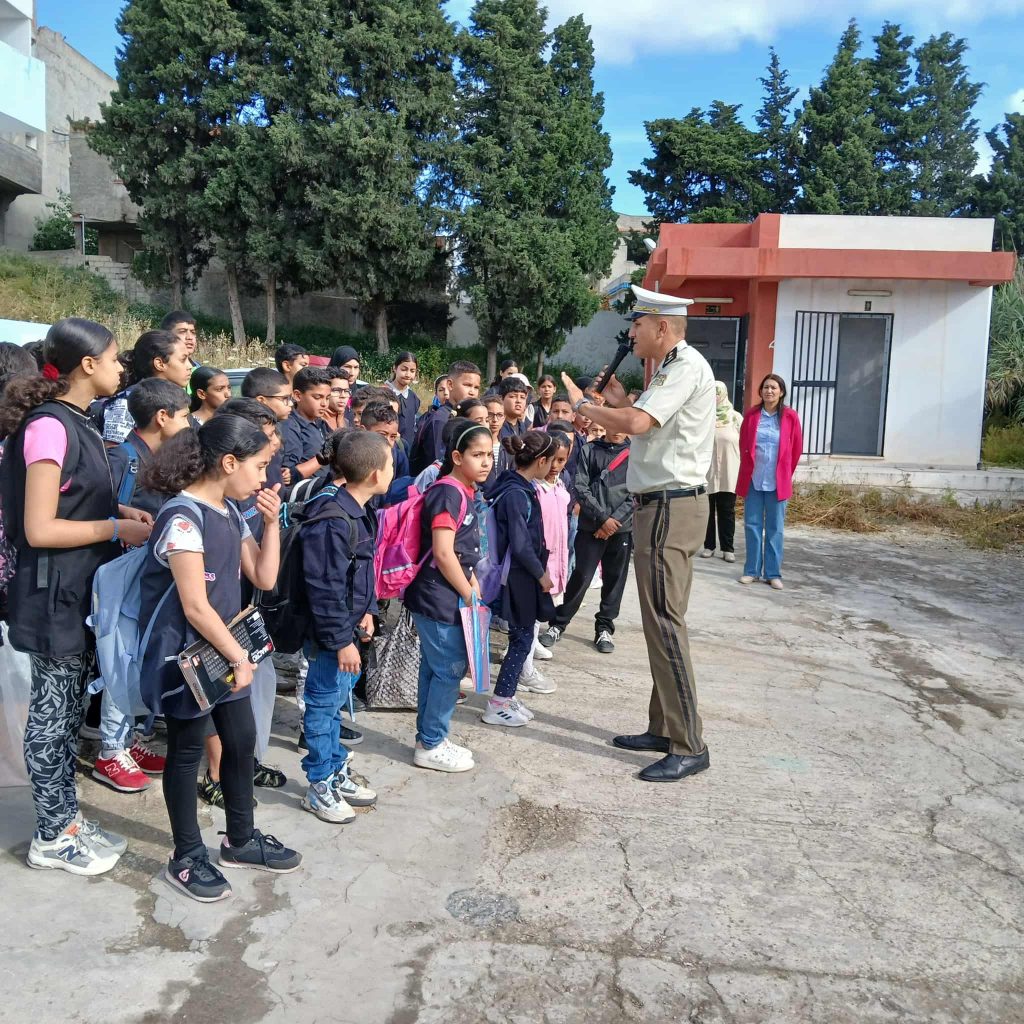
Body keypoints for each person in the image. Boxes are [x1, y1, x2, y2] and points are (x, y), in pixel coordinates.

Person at [0, 318, 153, 875]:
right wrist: (113, 528)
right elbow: (39, 527)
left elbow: (73, 503)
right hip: (52, 593)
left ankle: (65, 818)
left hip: (77, 589)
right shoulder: (48, 426)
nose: (120, 368)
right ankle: (51, 836)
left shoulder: (78, 420)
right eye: (114, 359)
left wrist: (119, 512)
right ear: (87, 364)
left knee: (66, 717)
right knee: (52, 715)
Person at [138, 416, 301, 901]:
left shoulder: (229, 510)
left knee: (241, 740)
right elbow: (194, 606)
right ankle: (186, 856)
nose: (264, 477)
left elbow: (264, 578)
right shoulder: (182, 518)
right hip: (187, 660)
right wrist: (239, 657)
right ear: (229, 462)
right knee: (187, 752)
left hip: (226, 655)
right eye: (259, 466)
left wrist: (270, 524)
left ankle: (241, 839)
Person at [560, 284, 715, 783]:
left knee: (665, 622)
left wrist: (586, 407)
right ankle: (664, 728)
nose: (633, 332)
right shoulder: (667, 369)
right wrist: (614, 401)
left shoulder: (684, 367)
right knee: (658, 621)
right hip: (660, 506)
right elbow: (636, 413)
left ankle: (689, 745)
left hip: (671, 506)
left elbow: (637, 423)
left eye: (639, 324)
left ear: (662, 327)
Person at [299, 431, 389, 821]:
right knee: (322, 705)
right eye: (390, 464)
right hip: (330, 637)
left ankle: (335, 768)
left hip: (350, 628)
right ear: (374, 474)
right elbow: (324, 588)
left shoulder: (360, 510)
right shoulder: (331, 518)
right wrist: (341, 642)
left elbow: (361, 573)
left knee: (336, 702)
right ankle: (319, 782)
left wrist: (368, 610)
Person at [404, 418, 492, 770]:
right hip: (437, 595)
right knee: (449, 670)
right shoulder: (448, 493)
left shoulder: (464, 490)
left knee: (436, 668)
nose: (485, 462)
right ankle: (431, 743)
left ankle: (429, 737)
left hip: (446, 591)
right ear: (457, 457)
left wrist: (472, 586)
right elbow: (443, 552)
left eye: (489, 455)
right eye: (477, 455)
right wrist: (468, 594)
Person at [483, 431, 556, 728]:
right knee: (522, 638)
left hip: (517, 573)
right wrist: (541, 575)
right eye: (552, 461)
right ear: (541, 461)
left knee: (522, 637)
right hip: (517, 576)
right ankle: (499, 703)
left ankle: (506, 695)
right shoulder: (516, 493)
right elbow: (521, 543)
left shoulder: (513, 485)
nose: (553, 467)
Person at [542, 428, 632, 655]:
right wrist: (602, 519)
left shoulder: (636, 453)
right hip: (591, 526)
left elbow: (636, 494)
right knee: (581, 576)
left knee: (615, 579)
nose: (617, 430)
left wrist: (613, 523)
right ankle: (558, 624)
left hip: (621, 528)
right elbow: (580, 487)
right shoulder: (590, 450)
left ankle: (605, 628)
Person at [736, 374, 803, 591]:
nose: (769, 391)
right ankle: (751, 571)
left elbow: (796, 449)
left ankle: (773, 573)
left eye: (774, 387)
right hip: (754, 479)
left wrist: (785, 473)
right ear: (761, 391)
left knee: (775, 529)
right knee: (752, 526)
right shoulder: (752, 415)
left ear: (781, 392)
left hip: (777, 481)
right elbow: (744, 443)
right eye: (766, 387)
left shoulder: (790, 417)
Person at [517, 430, 571, 695]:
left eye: (562, 460)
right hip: (538, 565)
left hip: (555, 562)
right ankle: (523, 670)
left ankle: (526, 656)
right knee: (528, 620)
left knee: (536, 619)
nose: (555, 466)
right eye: (552, 460)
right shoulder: (533, 489)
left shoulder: (560, 486)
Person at [101, 330, 192, 445]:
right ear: (160, 364)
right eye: (183, 360)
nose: (190, 366)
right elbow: (114, 451)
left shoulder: (177, 398)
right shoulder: (125, 403)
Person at [410, 360, 481, 473]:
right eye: (467, 385)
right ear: (450, 385)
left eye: (476, 387)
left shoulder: (466, 416)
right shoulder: (440, 420)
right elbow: (438, 466)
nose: (472, 392)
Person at [702, 381, 742, 564]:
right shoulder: (704, 417)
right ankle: (708, 546)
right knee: (707, 511)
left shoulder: (735, 418)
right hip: (707, 471)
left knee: (727, 510)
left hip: (729, 470)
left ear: (724, 394)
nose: (715, 397)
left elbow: (745, 443)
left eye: (718, 393)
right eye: (713, 393)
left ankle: (728, 548)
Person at [241, 368, 293, 489]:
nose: (291, 404)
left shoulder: (277, 425)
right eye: (285, 399)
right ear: (261, 401)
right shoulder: (247, 434)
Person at [280, 366, 332, 481]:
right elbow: (287, 476)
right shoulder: (289, 426)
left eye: (327, 398)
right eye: (317, 397)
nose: (324, 404)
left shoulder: (321, 423)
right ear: (297, 396)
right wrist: (323, 457)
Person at [387, 351, 420, 448]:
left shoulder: (413, 397)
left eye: (412, 371)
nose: (408, 374)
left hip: (409, 447)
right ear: (394, 368)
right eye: (404, 369)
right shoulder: (384, 393)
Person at [322, 367, 352, 432]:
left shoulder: (347, 422)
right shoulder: (315, 421)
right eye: (336, 390)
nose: (343, 396)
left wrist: (340, 423)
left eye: (346, 391)